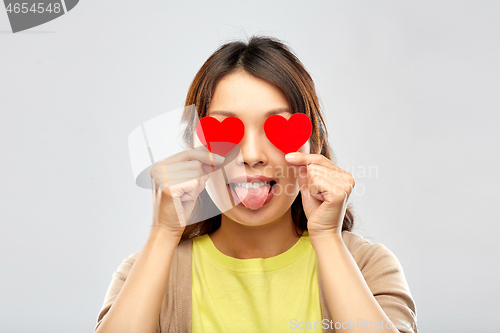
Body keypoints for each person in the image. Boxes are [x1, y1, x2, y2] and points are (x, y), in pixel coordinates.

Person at [94, 35, 418, 333]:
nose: (251, 155)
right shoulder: (146, 271)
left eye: (275, 128)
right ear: (193, 149)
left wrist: (327, 239)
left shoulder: (368, 265)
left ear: (313, 145)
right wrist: (163, 234)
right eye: (224, 130)